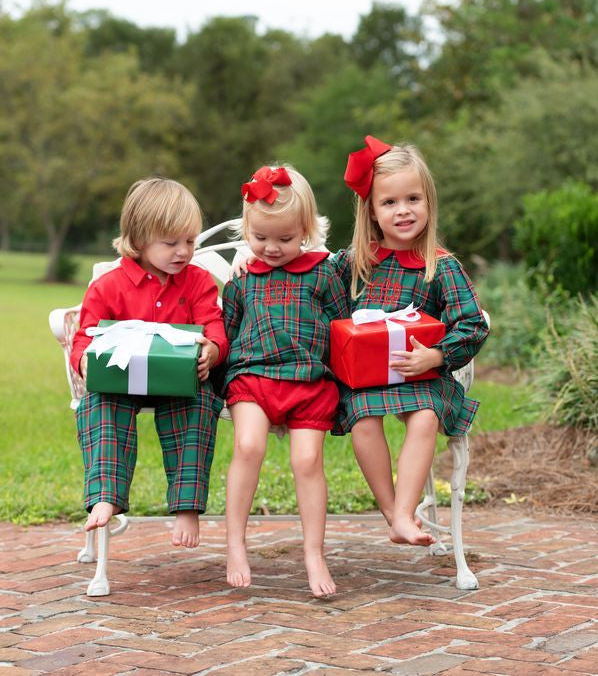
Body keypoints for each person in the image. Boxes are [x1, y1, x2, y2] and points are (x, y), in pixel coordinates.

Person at [331, 135, 489, 546]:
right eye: (389, 203)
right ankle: (393, 513)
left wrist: (436, 356)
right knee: (363, 418)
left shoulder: (441, 266)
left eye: (413, 199)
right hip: (368, 378)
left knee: (424, 416)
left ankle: (404, 511)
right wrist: (250, 261)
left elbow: (473, 324)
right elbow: (310, 278)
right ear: (372, 211)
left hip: (422, 376)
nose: (403, 211)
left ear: (429, 203)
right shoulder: (355, 262)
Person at [70, 177, 228, 548]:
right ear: (139, 240)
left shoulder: (198, 282)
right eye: (171, 243)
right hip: (124, 379)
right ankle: (105, 495)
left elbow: (215, 326)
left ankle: (187, 505)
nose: (183, 252)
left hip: (179, 381)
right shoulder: (109, 286)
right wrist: (84, 363)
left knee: (200, 404)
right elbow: (85, 336)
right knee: (99, 406)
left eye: (190, 241)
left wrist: (212, 351)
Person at [222, 165, 349, 597]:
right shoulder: (241, 279)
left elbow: (341, 327)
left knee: (307, 461)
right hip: (253, 377)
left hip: (309, 382)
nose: (271, 249)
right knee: (248, 445)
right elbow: (228, 329)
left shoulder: (324, 274)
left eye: (284, 239)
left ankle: (314, 552)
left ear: (307, 231)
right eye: (260, 238)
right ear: (247, 231)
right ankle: (236, 544)